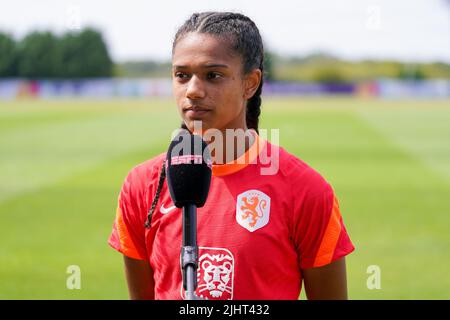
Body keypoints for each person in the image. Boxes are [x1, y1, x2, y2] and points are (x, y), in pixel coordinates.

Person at [108, 11, 355, 300]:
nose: (193, 91)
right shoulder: (142, 185)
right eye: (182, 75)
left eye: (213, 75)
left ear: (250, 83)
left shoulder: (306, 190)